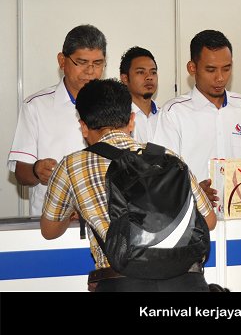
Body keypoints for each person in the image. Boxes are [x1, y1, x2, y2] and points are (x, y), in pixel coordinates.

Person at [40, 79, 216, 291]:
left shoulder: (71, 165)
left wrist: (75, 209)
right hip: (187, 282)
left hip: (122, 284)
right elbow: (209, 220)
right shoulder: (168, 157)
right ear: (132, 121)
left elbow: (49, 230)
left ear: (84, 127)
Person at [153, 30, 241, 203]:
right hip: (194, 215)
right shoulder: (173, 113)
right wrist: (193, 193)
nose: (220, 78)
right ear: (192, 68)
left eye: (226, 69)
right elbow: (161, 178)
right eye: (211, 70)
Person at [8, 24, 107, 216]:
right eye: (82, 62)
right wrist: (36, 170)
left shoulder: (115, 104)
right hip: (52, 221)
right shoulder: (36, 106)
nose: (90, 71)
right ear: (62, 61)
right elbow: (21, 173)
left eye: (98, 63)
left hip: (103, 221)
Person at [119, 46, 159, 143]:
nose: (149, 77)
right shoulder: (117, 119)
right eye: (141, 72)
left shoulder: (166, 115)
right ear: (125, 78)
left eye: (153, 72)